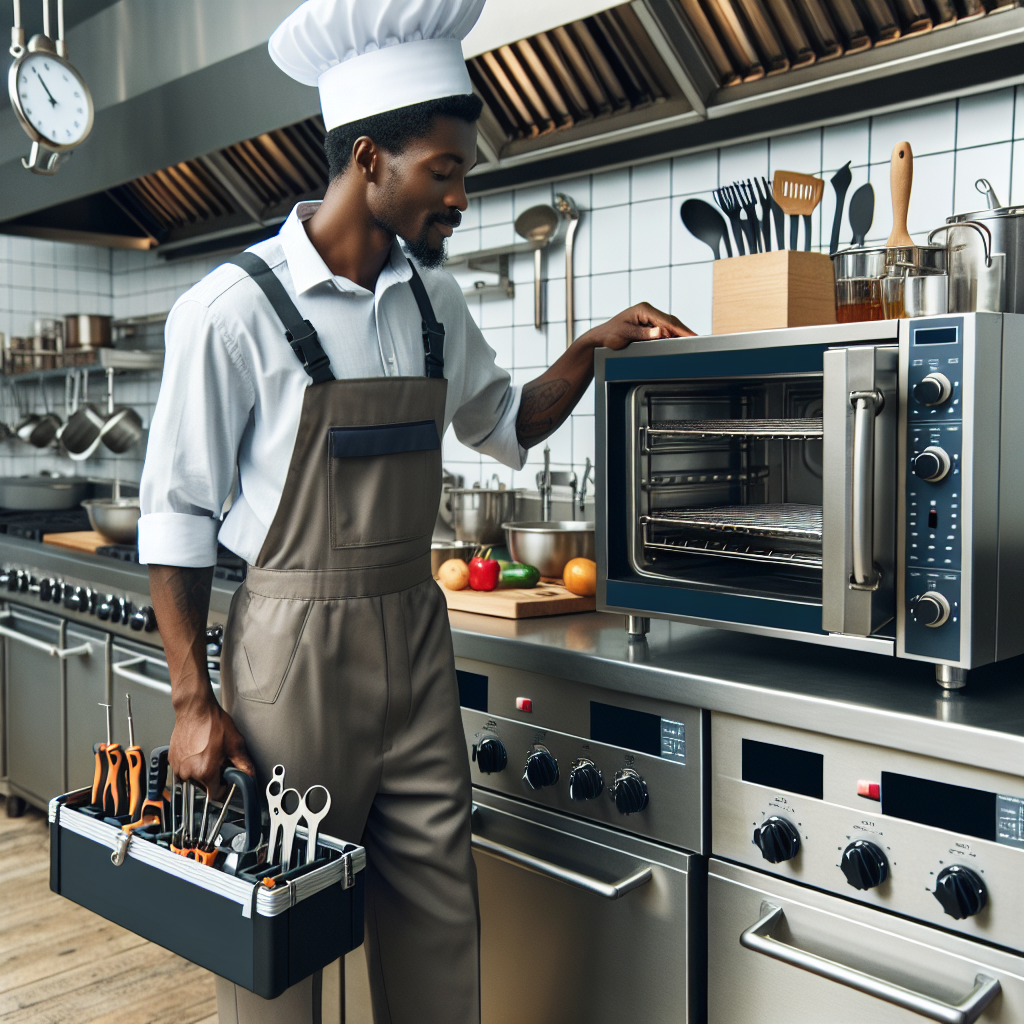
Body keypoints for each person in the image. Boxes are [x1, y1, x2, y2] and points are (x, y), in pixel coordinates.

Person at [138, 0, 692, 1021]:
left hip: (414, 634)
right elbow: (172, 517)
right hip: (289, 654)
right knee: (281, 932)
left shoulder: (433, 301)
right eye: (444, 170)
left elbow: (507, 425)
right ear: (368, 160)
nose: (461, 195)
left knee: (440, 913)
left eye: (462, 172)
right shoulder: (231, 309)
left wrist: (590, 348)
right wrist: (190, 702)